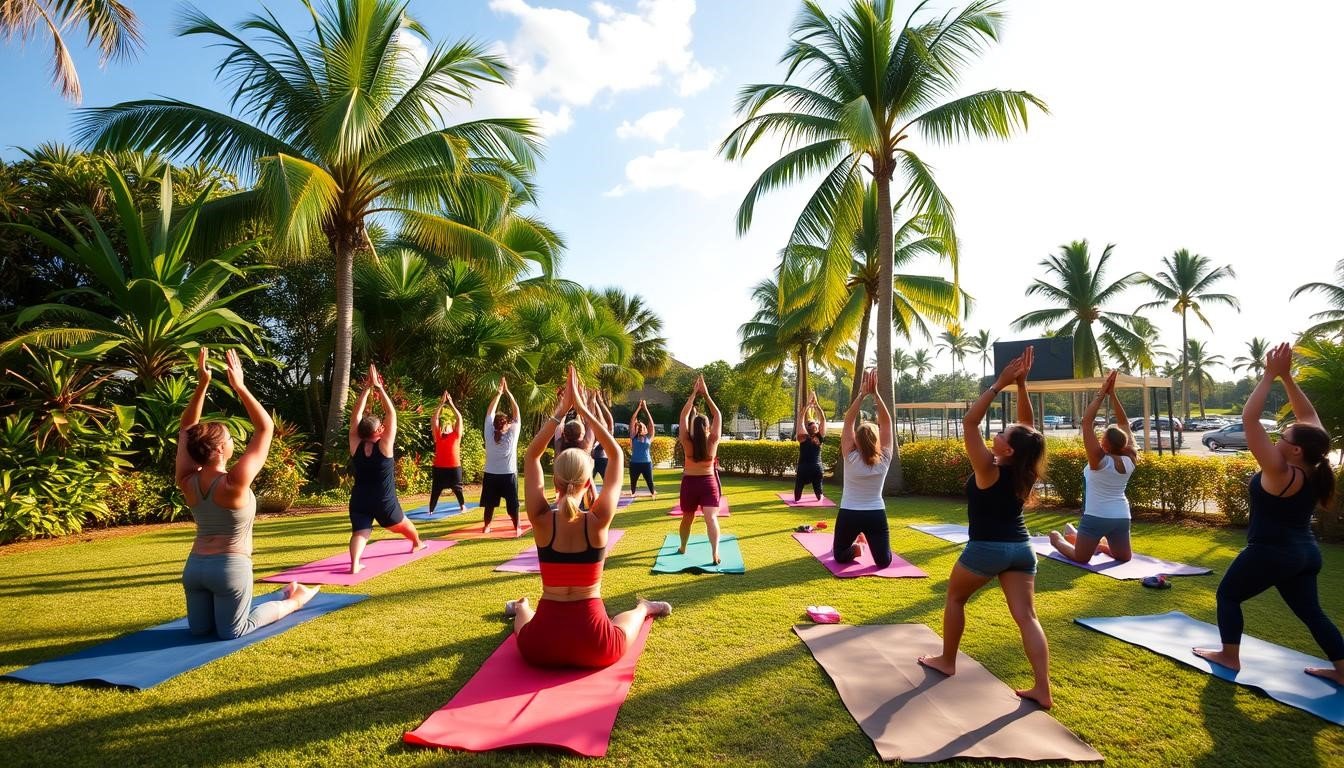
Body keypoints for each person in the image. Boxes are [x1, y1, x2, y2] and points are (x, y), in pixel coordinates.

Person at [1194, 343, 1344, 684]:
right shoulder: (1312, 465)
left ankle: (1229, 656)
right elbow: (1309, 420)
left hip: (1272, 553)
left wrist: (1269, 375)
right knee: (1312, 613)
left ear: (1294, 449)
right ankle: (1343, 671)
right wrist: (1287, 377)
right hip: (1306, 553)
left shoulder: (1280, 470)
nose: (1277, 437)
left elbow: (1249, 419)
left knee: (1228, 595)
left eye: (1283, 436)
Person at [508, 365, 671, 668]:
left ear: (554, 481)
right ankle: (644, 608)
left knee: (525, 625)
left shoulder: (541, 518)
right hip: (595, 645)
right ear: (588, 484)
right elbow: (617, 456)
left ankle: (521, 606)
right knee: (625, 626)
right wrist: (584, 408)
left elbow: (531, 455)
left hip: (540, 647)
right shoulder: (597, 521)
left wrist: (561, 411)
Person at [918, 347, 1053, 709]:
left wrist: (1000, 384)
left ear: (1008, 450)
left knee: (955, 598)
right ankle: (1043, 688)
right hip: (1021, 550)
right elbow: (1029, 431)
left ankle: (947, 661)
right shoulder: (1024, 468)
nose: (999, 434)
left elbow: (969, 423)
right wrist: (1021, 386)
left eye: (1004, 434)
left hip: (987, 549)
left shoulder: (988, 468)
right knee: (1027, 617)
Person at [176, 349, 319, 639]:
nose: (233, 441)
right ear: (218, 450)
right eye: (229, 438)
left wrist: (203, 384)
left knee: (201, 630)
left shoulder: (187, 480)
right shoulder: (234, 484)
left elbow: (186, 429)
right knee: (235, 630)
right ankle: (296, 599)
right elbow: (265, 428)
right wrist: (239, 386)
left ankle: (283, 598)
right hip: (230, 569)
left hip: (195, 570)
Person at [1049, 370, 1136, 563]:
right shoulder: (1131, 458)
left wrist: (1102, 393)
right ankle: (1079, 537)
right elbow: (1124, 423)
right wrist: (1113, 395)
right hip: (1121, 517)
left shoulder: (1098, 460)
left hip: (1097, 517)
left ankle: (1056, 538)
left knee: (1082, 558)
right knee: (1124, 558)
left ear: (1104, 444)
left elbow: (1087, 422)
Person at [348, 363, 425, 573]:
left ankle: (355, 565)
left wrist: (365, 389)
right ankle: (417, 543)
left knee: (360, 533)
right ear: (379, 430)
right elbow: (392, 415)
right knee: (402, 525)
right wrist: (380, 388)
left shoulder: (355, 444)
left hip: (360, 499)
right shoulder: (384, 445)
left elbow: (355, 416)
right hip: (384, 500)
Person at [833, 370, 894, 566]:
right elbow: (887, 423)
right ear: (877, 441)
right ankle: (864, 539)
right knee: (884, 563)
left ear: (856, 441)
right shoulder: (884, 458)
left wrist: (862, 394)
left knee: (840, 555)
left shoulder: (850, 456)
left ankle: (859, 545)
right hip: (875, 515)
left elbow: (848, 422)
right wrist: (876, 393)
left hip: (849, 513)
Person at [677, 374, 724, 564]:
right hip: (708, 483)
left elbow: (683, 416)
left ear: (693, 428)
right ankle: (714, 554)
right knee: (711, 519)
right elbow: (717, 415)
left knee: (687, 518)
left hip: (690, 483)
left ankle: (683, 547)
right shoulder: (712, 441)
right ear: (706, 428)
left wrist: (693, 395)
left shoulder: (686, 441)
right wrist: (706, 394)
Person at [482, 376, 522, 534]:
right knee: (513, 504)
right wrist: (508, 393)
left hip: (491, 474)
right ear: (506, 424)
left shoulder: (489, 432)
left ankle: (487, 526)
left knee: (490, 504)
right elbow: (516, 412)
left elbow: (489, 412)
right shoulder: (512, 434)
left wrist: (499, 393)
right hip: (508, 474)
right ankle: (516, 527)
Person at [428, 391, 465, 514]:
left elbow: (459, 418)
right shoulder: (438, 436)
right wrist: (441, 404)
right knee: (436, 491)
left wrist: (451, 404)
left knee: (458, 489)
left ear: (453, 426)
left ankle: (462, 506)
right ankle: (431, 510)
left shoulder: (456, 435)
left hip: (454, 468)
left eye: (449, 424)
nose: (447, 426)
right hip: (439, 468)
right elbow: (435, 419)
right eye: (445, 424)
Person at [794, 390, 827, 502]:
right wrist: (816, 406)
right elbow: (823, 419)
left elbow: (801, 419)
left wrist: (808, 406)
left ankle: (799, 498)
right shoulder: (819, 437)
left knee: (798, 493)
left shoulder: (802, 437)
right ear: (816, 429)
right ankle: (819, 497)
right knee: (818, 490)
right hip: (817, 468)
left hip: (804, 468)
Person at [629, 399, 657, 497]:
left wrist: (646, 409)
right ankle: (632, 494)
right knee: (633, 483)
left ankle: (653, 494)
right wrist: (638, 408)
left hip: (646, 464)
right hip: (634, 464)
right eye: (639, 427)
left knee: (650, 482)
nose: (641, 428)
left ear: (645, 430)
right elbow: (632, 420)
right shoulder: (633, 437)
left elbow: (651, 424)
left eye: (643, 427)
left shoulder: (649, 437)